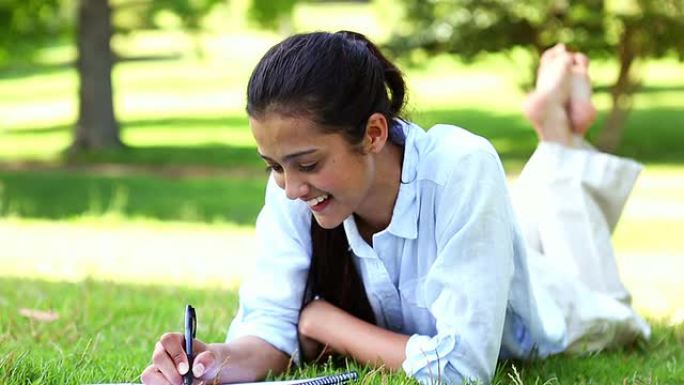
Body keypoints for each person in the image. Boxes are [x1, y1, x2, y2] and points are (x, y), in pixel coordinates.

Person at [141, 32, 650, 385]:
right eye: (273, 166)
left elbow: (462, 371)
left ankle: (559, 136)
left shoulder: (461, 166)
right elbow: (270, 326)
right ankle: (558, 137)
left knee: (614, 307)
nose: (290, 187)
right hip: (489, 255)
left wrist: (326, 323)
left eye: (307, 163)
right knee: (528, 227)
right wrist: (211, 363)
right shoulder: (293, 190)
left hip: (549, 311)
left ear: (374, 133)